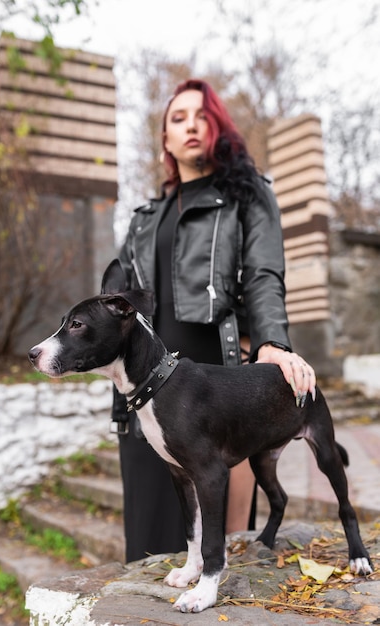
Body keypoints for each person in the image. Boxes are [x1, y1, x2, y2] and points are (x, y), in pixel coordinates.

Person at [112, 78, 316, 563]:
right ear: (165, 139)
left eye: (202, 115)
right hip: (143, 390)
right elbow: (115, 301)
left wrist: (271, 343)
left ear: (219, 127)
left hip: (216, 386)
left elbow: (264, 274)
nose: (190, 126)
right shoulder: (143, 218)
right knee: (148, 550)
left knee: (215, 552)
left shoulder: (247, 195)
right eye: (178, 118)